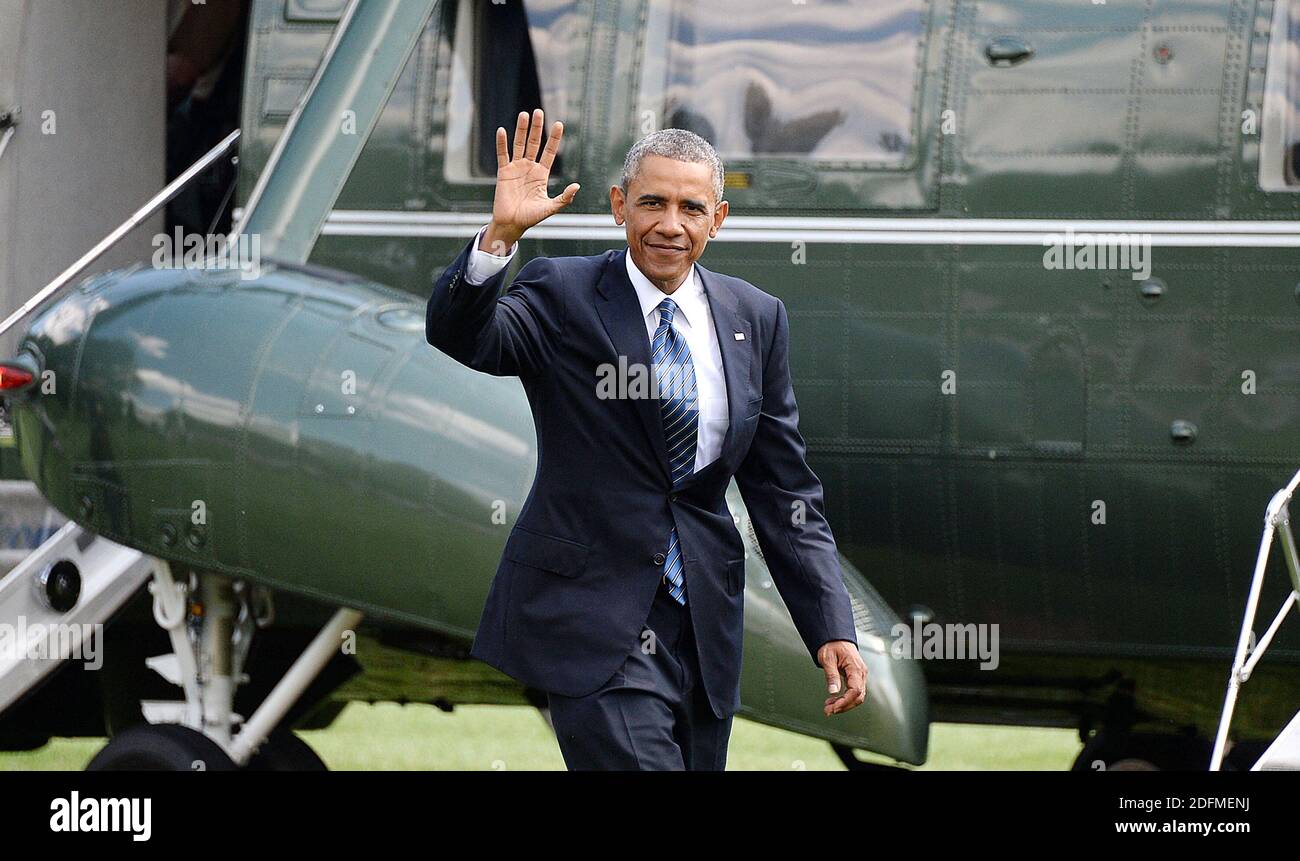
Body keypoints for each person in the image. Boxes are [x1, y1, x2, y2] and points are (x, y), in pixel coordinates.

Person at [426, 109, 867, 770]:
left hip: (701, 631)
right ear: (618, 206)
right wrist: (498, 238)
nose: (670, 224)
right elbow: (467, 337)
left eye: (691, 208)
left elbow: (785, 494)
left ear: (716, 220)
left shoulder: (756, 317)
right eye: (652, 202)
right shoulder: (564, 293)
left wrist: (829, 622)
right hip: (592, 620)